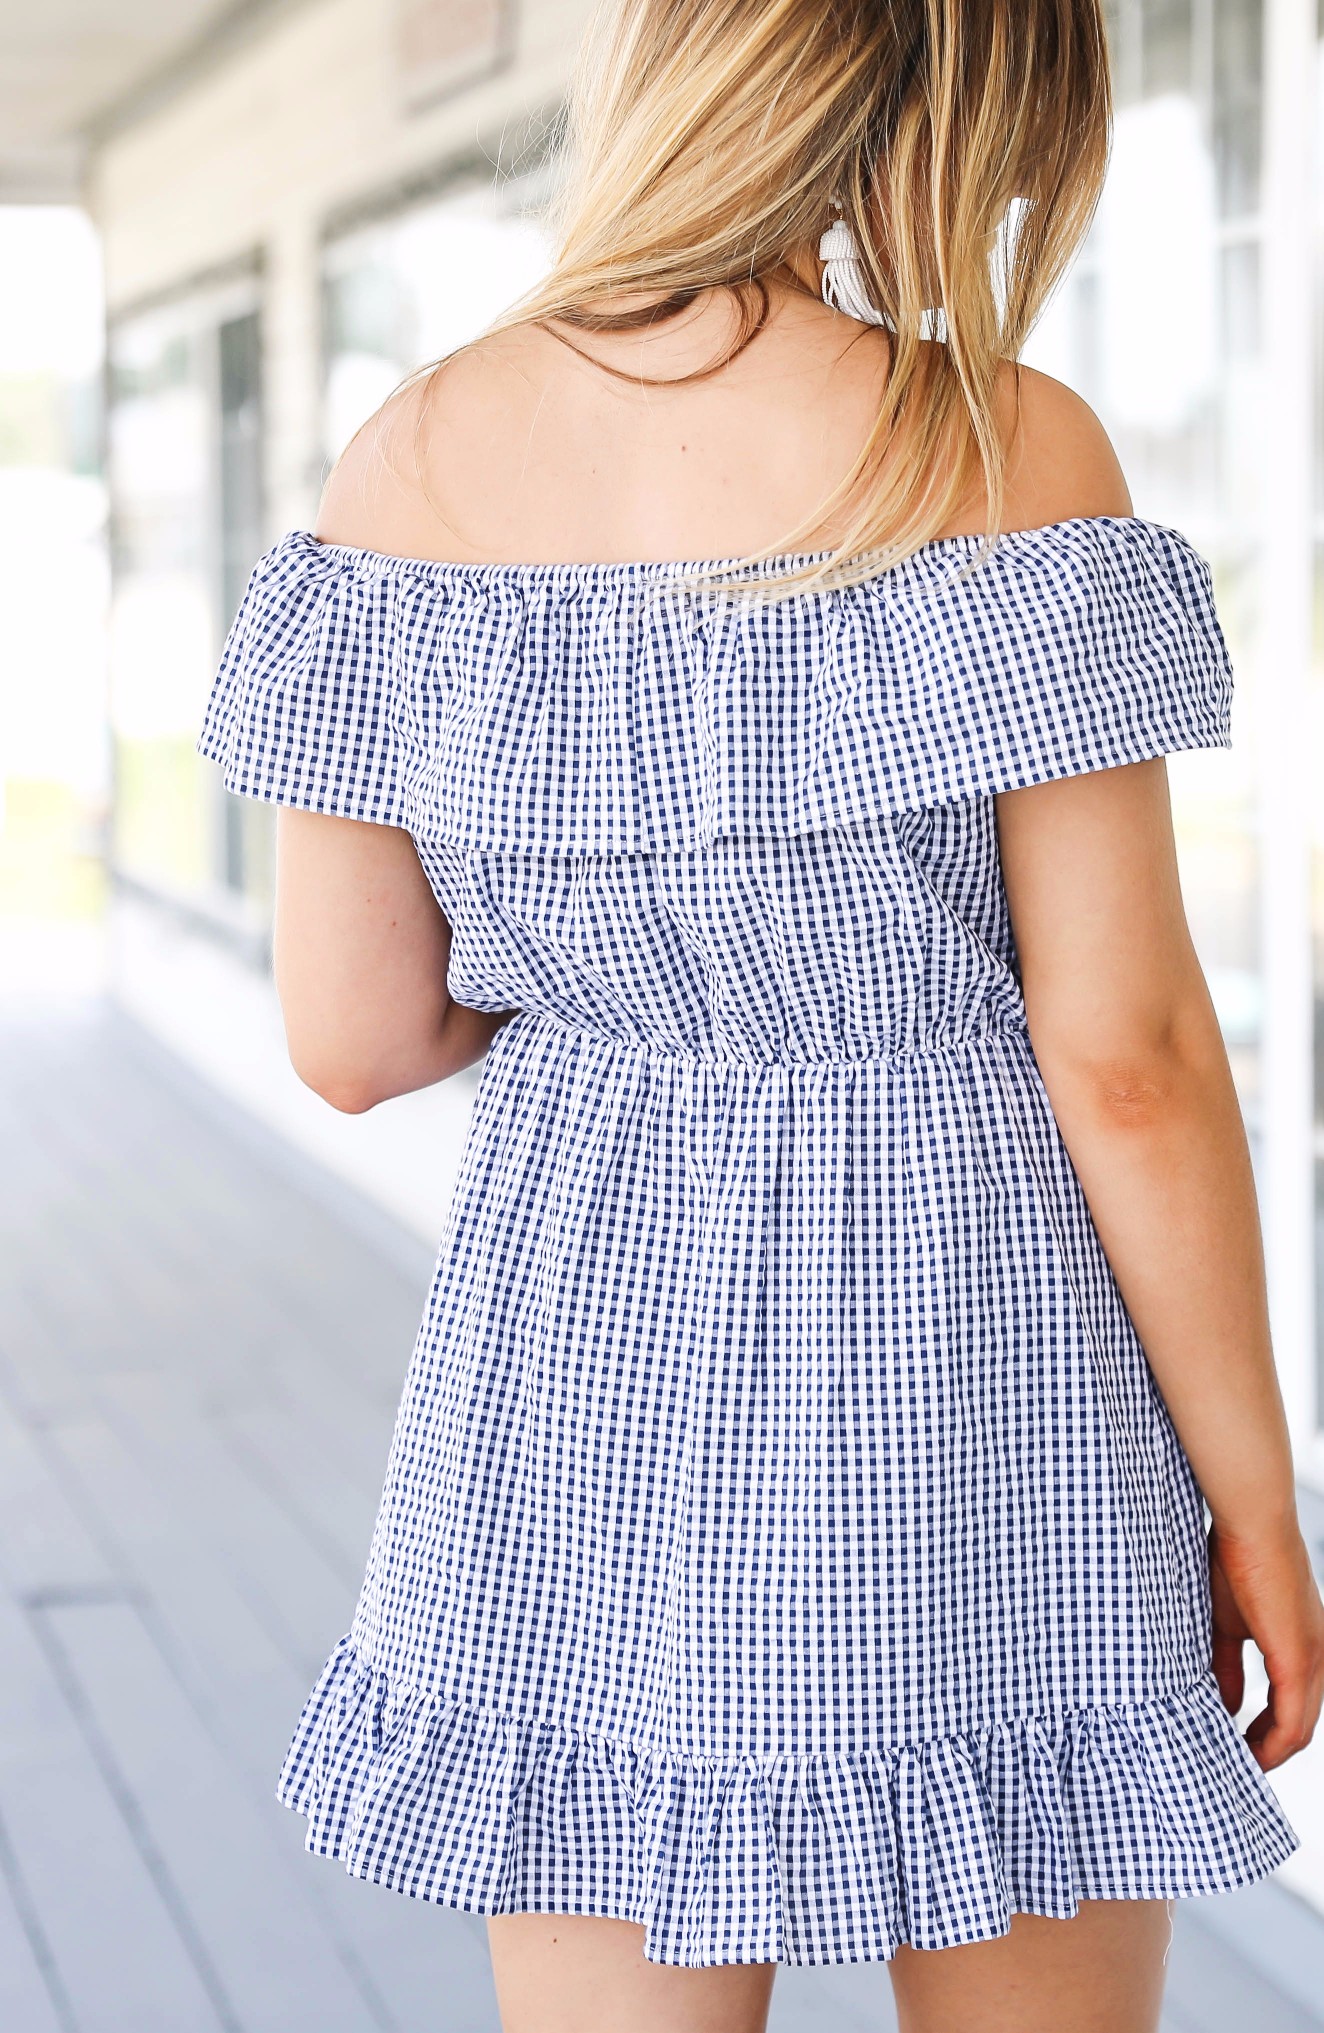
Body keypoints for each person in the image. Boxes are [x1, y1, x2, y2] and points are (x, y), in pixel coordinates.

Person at [195, 1, 1324, 2028]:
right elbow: (1124, 1060)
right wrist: (1256, 1493)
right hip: (995, 1390)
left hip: (577, 1377)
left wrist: (627, 985)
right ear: (952, 116)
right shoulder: (995, 446)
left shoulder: (412, 460)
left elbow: (350, 1036)